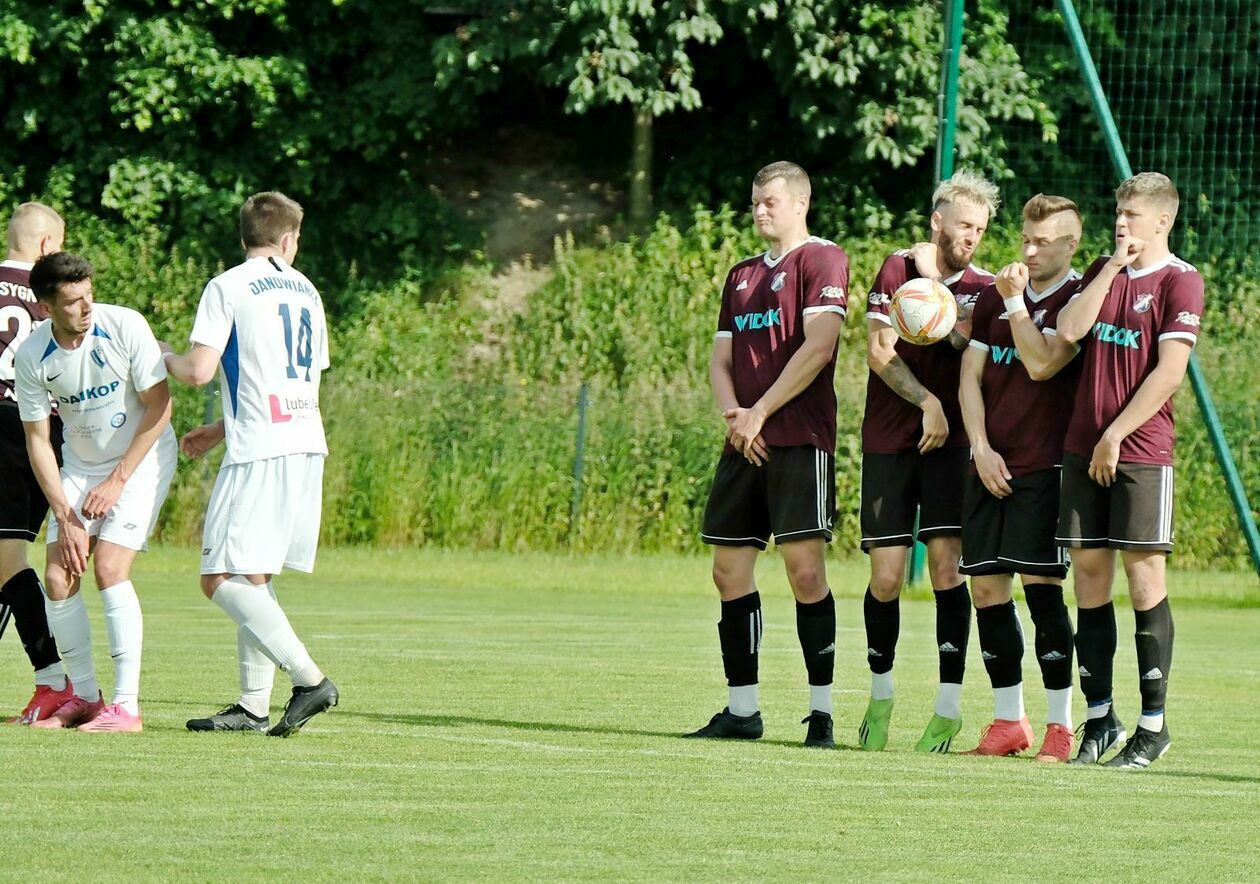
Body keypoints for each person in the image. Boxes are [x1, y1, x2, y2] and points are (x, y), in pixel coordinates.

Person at [685, 161, 848, 748]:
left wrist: (763, 412)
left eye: (770, 201)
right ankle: (742, 710)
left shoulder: (823, 261)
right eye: (755, 201)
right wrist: (735, 416)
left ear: (800, 203)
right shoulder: (741, 276)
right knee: (728, 570)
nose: (759, 210)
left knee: (805, 573)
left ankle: (822, 713)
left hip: (799, 438)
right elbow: (720, 358)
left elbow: (820, 345)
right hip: (743, 441)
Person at [163, 191, 338, 737]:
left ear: (247, 236)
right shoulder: (308, 290)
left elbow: (195, 371)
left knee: (218, 577)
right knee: (252, 574)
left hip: (261, 447)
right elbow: (299, 377)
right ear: (288, 240)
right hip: (303, 438)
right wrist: (222, 427)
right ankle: (252, 706)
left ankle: (310, 680)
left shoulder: (229, 285)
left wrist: (156, 352)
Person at [1051, 172, 1202, 769]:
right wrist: (1112, 266)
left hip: (1139, 451)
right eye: (1119, 213)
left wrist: (1115, 433)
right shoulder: (1102, 271)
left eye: (1134, 216)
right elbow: (1068, 331)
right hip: (1081, 448)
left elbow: (1169, 372)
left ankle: (1153, 725)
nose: (1122, 223)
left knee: (1144, 582)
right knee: (1088, 580)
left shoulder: (1180, 281)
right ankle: (1099, 717)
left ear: (1162, 221)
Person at [857, 169, 998, 753]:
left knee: (946, 572)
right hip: (893, 440)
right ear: (938, 220)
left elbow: (974, 349)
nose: (972, 236)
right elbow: (878, 351)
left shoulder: (986, 287)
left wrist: (941, 308)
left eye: (982, 228)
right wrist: (928, 402)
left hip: (953, 448)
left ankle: (947, 709)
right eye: (964, 224)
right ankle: (880, 696)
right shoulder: (896, 268)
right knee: (886, 577)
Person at [15, 252, 176, 733]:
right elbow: (39, 439)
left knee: (108, 567)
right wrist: (65, 516)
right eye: (72, 301)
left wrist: (117, 480)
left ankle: (126, 708)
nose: (87, 307)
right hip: (81, 468)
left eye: (89, 295)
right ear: (46, 308)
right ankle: (85, 697)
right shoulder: (32, 355)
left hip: (141, 458)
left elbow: (160, 406)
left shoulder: (125, 325)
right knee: (60, 575)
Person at [957, 194, 1084, 761]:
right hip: (989, 462)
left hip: (1046, 465)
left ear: (1070, 243)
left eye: (1043, 242)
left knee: (1042, 591)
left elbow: (1040, 362)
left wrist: (1013, 303)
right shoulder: (992, 298)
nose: (1029, 252)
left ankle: (1060, 725)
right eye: (1025, 240)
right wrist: (979, 448)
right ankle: (1009, 719)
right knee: (986, 588)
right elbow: (970, 376)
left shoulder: (1081, 299)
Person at [0, 202, 72, 724]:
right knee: (7, 559)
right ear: (47, 245)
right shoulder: (57, 297)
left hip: (4, 428)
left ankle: (55, 679)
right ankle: (55, 681)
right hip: (43, 435)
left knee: (7, 560)